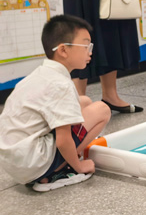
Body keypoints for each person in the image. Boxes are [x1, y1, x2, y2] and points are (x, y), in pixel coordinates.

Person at [0, 15, 111, 192]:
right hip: (34, 163)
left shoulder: (40, 74)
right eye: (86, 46)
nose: (90, 52)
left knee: (84, 101)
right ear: (63, 50)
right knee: (102, 110)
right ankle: (57, 170)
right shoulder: (61, 85)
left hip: (15, 160)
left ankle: (52, 166)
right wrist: (80, 167)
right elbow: (63, 140)